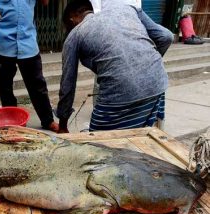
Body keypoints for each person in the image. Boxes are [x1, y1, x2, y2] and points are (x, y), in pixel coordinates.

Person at [57, 0, 173, 133]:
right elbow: (166, 36)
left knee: (99, 145)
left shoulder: (75, 34)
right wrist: (149, 64)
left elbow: (67, 84)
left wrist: (62, 125)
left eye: (67, 26)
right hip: (157, 83)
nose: (68, 30)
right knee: (138, 136)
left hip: (120, 94)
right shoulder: (128, 9)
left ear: (72, 19)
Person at [0, 0, 59, 132]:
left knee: (38, 84)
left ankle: (47, 120)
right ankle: (12, 122)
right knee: (5, 87)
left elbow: (45, 2)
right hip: (4, 39)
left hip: (28, 40)